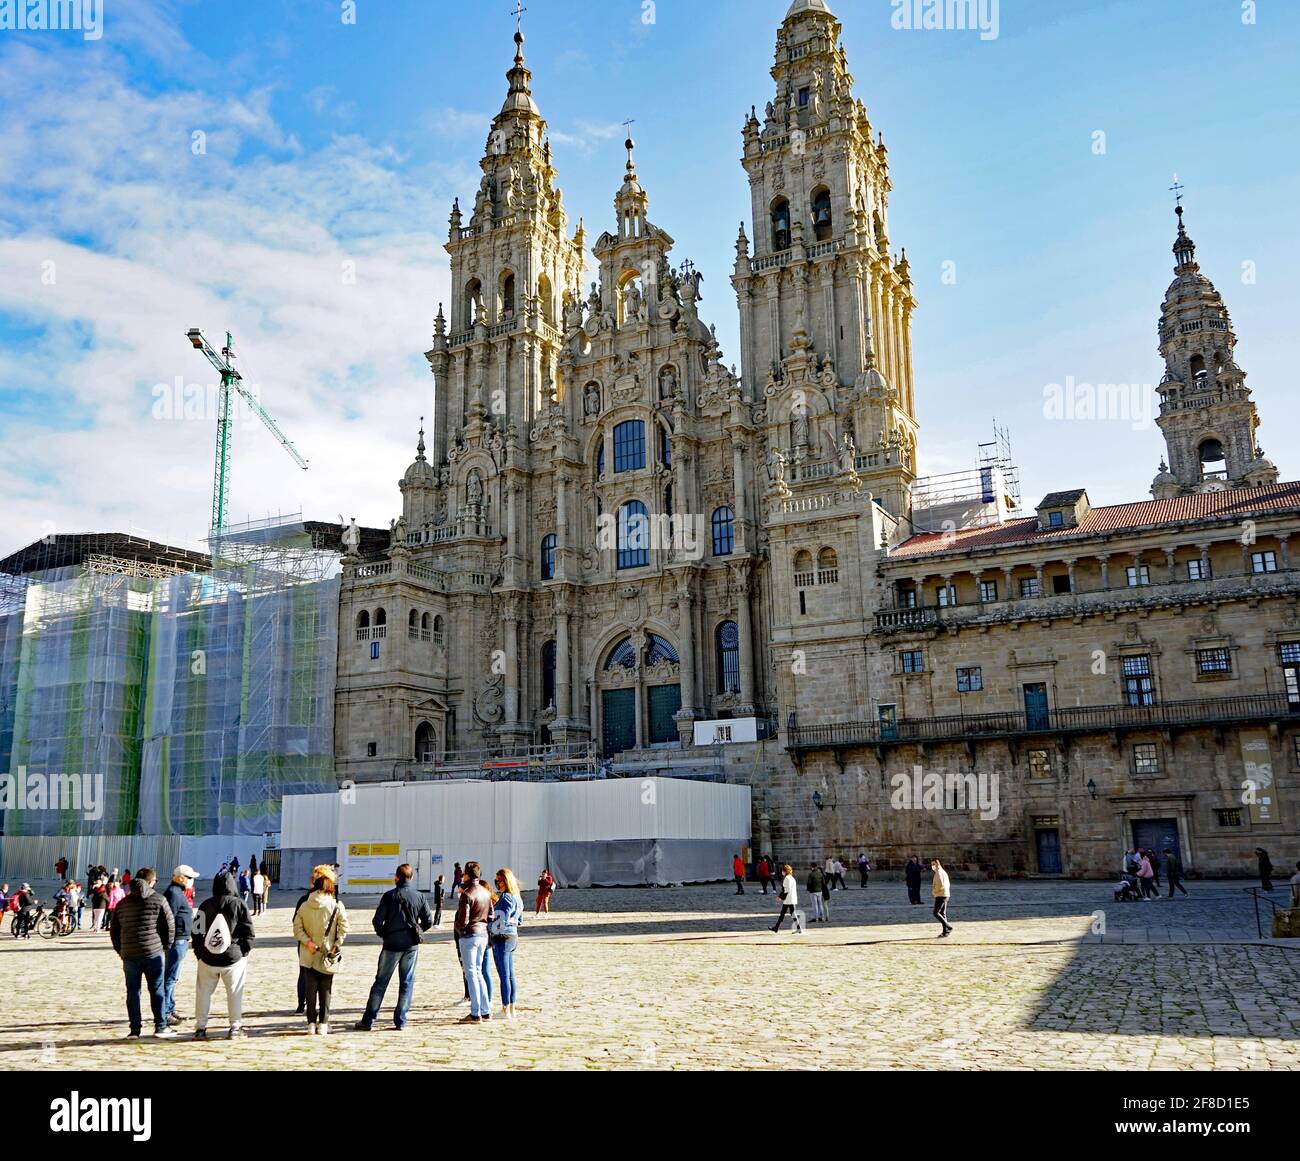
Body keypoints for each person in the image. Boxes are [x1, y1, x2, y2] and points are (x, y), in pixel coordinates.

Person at [355, 863, 433, 1032]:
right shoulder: (419, 896)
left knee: (381, 982)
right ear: (411, 878)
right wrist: (416, 931)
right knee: (407, 982)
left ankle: (369, 1020)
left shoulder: (389, 896)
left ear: (396, 877)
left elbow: (377, 921)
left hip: (391, 945)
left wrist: (385, 933)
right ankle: (401, 1020)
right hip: (411, 946)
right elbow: (429, 921)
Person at [109, 867, 177, 1039]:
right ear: (151, 882)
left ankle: (135, 1030)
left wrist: (121, 950)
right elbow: (170, 926)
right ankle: (160, 1026)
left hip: (130, 955)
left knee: (132, 991)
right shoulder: (159, 899)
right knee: (157, 990)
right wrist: (165, 946)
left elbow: (114, 931)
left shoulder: (122, 904)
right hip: (153, 952)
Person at [191, 870, 256, 1040]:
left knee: (203, 992)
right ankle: (235, 1027)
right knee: (235, 992)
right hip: (233, 957)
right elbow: (249, 932)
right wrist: (243, 951)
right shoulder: (240, 904)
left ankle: (200, 1027)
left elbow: (196, 932)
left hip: (208, 958)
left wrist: (200, 953)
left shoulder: (205, 905)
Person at [293, 865, 348, 1035]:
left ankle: (310, 1023)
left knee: (310, 989)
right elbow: (344, 927)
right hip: (327, 953)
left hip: (308, 953)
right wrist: (337, 943)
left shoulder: (304, 905)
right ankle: (323, 1023)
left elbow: (297, 928)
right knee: (326, 989)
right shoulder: (336, 905)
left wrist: (307, 942)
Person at [454, 861, 493, 1023]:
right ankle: (485, 1010)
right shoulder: (485, 892)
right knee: (478, 973)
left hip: (469, 935)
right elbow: (491, 915)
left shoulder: (467, 894)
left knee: (471, 973)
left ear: (467, 875)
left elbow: (463, 920)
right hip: (483, 934)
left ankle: (475, 1012)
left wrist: (458, 927)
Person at [160, 866, 196, 1027]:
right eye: (189, 877)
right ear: (181, 877)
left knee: (173, 977)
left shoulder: (177, 892)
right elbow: (169, 918)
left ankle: (170, 1007)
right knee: (170, 977)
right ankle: (165, 1012)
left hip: (181, 939)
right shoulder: (174, 893)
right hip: (177, 940)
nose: (191, 881)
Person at [490, 868, 523, 1021]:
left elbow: (500, 922)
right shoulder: (517, 898)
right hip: (513, 936)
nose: (497, 883)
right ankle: (512, 1008)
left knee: (504, 975)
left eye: (499, 881)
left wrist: (488, 926)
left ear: (505, 881)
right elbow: (520, 920)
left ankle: (505, 1009)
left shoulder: (506, 898)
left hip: (502, 938)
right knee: (510, 975)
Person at [771, 864, 801, 933]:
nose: (782, 872)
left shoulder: (787, 878)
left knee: (787, 913)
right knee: (789, 913)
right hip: (791, 898)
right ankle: (776, 927)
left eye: (783, 871)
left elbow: (786, 890)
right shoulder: (792, 878)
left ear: (785, 871)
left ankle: (776, 927)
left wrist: (780, 897)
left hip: (788, 899)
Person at [930, 858, 953, 937]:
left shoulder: (939, 873)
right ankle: (945, 932)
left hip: (941, 895)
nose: (932, 866)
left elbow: (940, 885)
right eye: (932, 864)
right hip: (945, 894)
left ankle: (948, 926)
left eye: (933, 864)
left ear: (937, 864)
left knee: (936, 913)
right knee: (942, 913)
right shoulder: (943, 872)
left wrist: (934, 892)